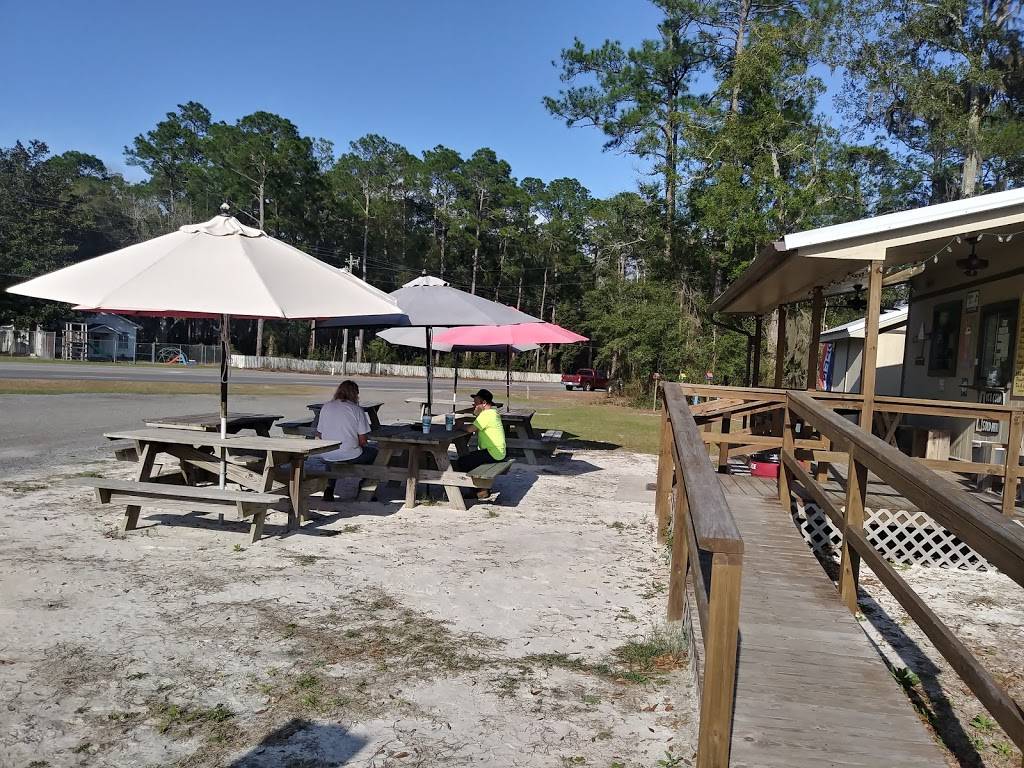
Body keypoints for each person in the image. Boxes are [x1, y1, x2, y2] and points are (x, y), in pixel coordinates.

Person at [315, 379, 378, 502]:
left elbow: (319, 434)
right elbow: (363, 440)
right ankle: (365, 485)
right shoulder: (357, 410)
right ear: (355, 394)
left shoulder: (326, 407)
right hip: (350, 454)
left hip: (327, 453)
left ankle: (329, 487)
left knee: (332, 455)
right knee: (374, 454)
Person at [454, 389, 506, 496]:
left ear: (484, 403)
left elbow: (471, 429)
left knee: (462, 462)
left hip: (493, 452)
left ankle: (478, 490)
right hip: (497, 451)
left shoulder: (487, 415)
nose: (474, 405)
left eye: (476, 403)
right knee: (468, 458)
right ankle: (481, 488)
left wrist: (460, 426)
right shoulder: (492, 412)